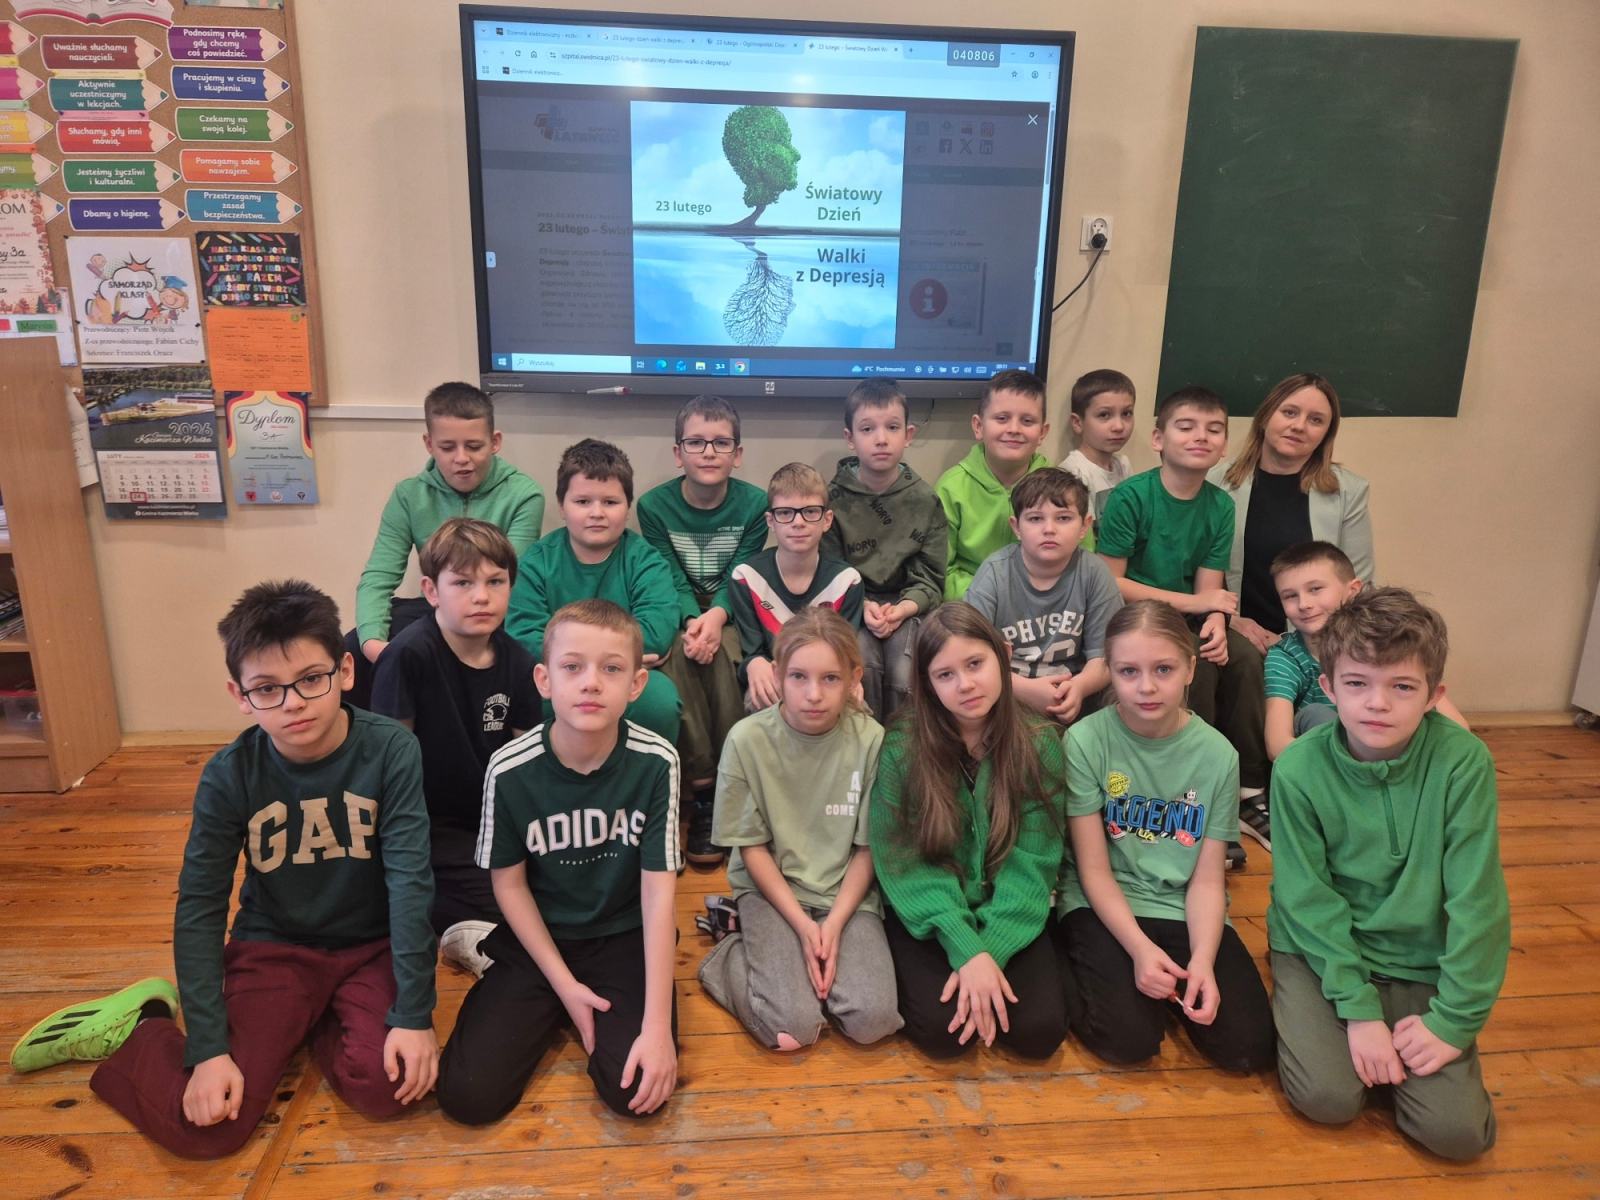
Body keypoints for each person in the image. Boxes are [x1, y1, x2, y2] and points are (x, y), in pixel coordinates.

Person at [11, 581, 437, 1156]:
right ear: (240, 695)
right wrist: (208, 1048)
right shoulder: (230, 773)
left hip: (371, 945)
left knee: (391, 1086)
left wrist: (414, 1013)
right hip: (276, 946)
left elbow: (411, 884)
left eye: (311, 679)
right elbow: (201, 905)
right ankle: (144, 1023)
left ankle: (309, 1017)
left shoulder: (391, 750)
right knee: (211, 1127)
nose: (293, 703)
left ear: (344, 671)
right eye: (268, 689)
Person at [1268, 588, 1508, 1161]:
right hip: (1321, 951)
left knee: (1457, 1137)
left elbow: (1478, 902)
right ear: (1328, 688)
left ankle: (1396, 1055)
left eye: (1402, 686)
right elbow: (1306, 899)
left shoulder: (1463, 762)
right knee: (1328, 1099)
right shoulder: (1298, 768)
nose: (1377, 703)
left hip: (1420, 958)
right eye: (1357, 683)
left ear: (1434, 695)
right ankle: (1360, 1043)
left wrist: (1452, 1022)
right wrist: (1359, 1012)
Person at [436, 600, 681, 1123]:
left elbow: (659, 893)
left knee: (636, 1094)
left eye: (611, 668)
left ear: (636, 684)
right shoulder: (509, 768)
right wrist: (566, 988)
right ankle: (489, 955)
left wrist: (657, 1027)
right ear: (544, 680)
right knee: (468, 1098)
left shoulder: (657, 762)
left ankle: (590, 1006)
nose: (591, 683)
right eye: (573, 667)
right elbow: (509, 885)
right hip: (540, 937)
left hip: (622, 935)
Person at [1053, 601, 1275, 1072]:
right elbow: (1093, 872)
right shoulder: (1086, 742)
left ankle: (1164, 985)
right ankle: (1073, 962)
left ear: (1191, 669)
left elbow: (1208, 881)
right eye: (1128, 671)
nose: (1147, 687)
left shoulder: (1219, 755)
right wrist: (1140, 950)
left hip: (1181, 906)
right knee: (1128, 1040)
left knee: (1248, 1048)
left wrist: (1203, 961)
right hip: (1104, 903)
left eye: (1164, 669)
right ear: (1110, 672)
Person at [867, 602, 1070, 1060]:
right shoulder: (902, 748)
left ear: (1003, 657)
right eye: (945, 675)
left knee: (1039, 1032)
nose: (965, 684)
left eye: (975, 664)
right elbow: (904, 864)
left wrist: (988, 953)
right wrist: (964, 948)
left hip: (1007, 906)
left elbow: (1033, 861)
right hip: (931, 912)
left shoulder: (1040, 742)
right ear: (927, 684)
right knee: (945, 1033)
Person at [698, 608, 902, 1050]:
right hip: (772, 889)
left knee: (873, 1021)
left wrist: (834, 924)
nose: (814, 694)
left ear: (854, 679)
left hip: (844, 893)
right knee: (793, 1029)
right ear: (777, 675)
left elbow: (867, 850)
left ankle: (792, 969)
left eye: (830, 679)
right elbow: (752, 849)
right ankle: (727, 954)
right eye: (798, 677)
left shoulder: (871, 740)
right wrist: (805, 928)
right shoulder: (746, 740)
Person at [1096, 385, 1265, 870]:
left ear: (1224, 444)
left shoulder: (1220, 505)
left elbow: (1210, 587)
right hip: (1135, 619)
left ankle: (1246, 790)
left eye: (1214, 430)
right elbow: (1111, 581)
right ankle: (1191, 793)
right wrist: (1200, 606)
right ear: (1158, 438)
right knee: (1195, 663)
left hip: (1191, 614)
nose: (1200, 437)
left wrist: (1216, 620)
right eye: (1186, 427)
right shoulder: (1131, 497)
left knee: (1244, 656)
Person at [369, 518, 538, 977]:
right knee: (495, 900)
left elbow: (525, 760)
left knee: (548, 889)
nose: (481, 596)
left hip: (489, 819)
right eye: (463, 583)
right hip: (426, 823)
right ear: (431, 590)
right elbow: (389, 765)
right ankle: (457, 929)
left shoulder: (519, 661)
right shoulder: (408, 656)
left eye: (495, 582)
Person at [1261, 542, 1470, 850]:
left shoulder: (1385, 642)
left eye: (1315, 589)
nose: (1304, 604)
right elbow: (1278, 744)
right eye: (1290, 596)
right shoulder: (1286, 657)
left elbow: (1458, 730)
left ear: (1353, 590)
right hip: (1332, 770)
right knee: (1318, 715)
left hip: (1397, 763)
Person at [349, 382, 544, 707]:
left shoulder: (525, 495)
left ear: (495, 442)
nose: (461, 459)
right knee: (352, 650)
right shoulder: (408, 495)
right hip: (438, 608)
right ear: (429, 444)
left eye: (474, 446)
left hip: (492, 612)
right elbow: (378, 578)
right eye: (448, 447)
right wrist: (375, 646)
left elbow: (509, 582)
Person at [637, 395, 769, 867]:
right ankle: (699, 788)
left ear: (738, 453)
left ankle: (728, 785)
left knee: (724, 658)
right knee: (679, 656)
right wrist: (694, 620)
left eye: (720, 443)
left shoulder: (756, 504)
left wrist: (715, 618)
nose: (708, 452)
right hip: (677, 610)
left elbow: (742, 570)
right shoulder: (653, 506)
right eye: (696, 442)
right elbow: (668, 574)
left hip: (733, 609)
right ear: (678, 453)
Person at [505, 439, 681, 743]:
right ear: (562, 507)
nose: (597, 512)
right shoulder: (536, 561)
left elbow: (657, 630)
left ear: (628, 508)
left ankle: (645, 772)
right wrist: (584, 663)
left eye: (610, 502)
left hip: (619, 675)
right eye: (583, 501)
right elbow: (523, 632)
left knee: (658, 700)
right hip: (561, 675)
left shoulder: (646, 561)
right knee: (528, 695)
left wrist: (603, 664)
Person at [1214, 373, 1375, 655]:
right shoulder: (1215, 483)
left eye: (1316, 420)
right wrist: (1229, 620)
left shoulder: (1348, 491)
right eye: (1289, 412)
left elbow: (1358, 589)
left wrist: (1296, 645)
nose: (1299, 426)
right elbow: (1192, 574)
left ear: (1326, 434)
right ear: (1265, 416)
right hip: (1234, 640)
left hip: (1315, 646)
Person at [821, 379, 947, 721]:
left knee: (905, 674)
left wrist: (902, 609)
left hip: (907, 607)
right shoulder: (832, 500)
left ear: (908, 435)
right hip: (852, 604)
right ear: (849, 437)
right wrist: (862, 605)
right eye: (867, 429)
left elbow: (931, 578)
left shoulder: (925, 500)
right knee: (862, 666)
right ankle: (865, 744)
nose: (881, 438)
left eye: (892, 427)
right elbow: (829, 571)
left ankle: (902, 747)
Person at [966, 467, 1122, 726]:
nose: (1049, 529)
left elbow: (1106, 658)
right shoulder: (994, 573)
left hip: (1075, 692)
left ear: (1084, 526)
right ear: (1016, 527)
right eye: (1035, 518)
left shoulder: (1095, 573)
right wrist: (1022, 689)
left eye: (1063, 518)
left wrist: (1080, 687)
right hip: (1006, 691)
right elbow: (969, 656)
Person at [728, 462, 864, 714]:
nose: (798, 522)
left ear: (827, 520)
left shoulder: (847, 581)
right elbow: (751, 650)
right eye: (785, 513)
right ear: (771, 520)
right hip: (775, 678)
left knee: (857, 707)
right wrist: (753, 663)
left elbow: (845, 651)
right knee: (757, 699)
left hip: (827, 679)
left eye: (810, 511)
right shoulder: (746, 577)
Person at [937, 368, 1051, 600]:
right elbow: (940, 570)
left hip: (1042, 604)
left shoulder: (1060, 490)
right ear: (978, 426)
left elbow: (1079, 559)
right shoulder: (951, 488)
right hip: (972, 604)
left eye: (1027, 421)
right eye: (1002, 418)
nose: (1014, 429)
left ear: (1042, 432)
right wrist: (991, 597)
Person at [1058, 368, 1136, 528]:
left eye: (1126, 413)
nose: (1119, 426)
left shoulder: (1123, 464)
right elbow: (1083, 533)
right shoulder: (1074, 472)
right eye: (1104, 415)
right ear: (1078, 423)